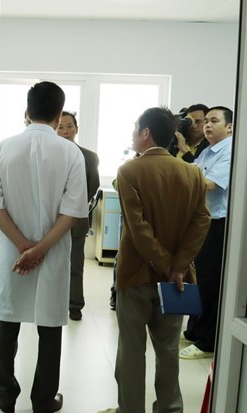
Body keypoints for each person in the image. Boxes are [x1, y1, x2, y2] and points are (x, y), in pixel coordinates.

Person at [99, 107, 211, 413]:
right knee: (169, 349)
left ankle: (130, 409)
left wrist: (164, 263)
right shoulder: (193, 173)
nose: (133, 135)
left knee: (132, 350)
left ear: (146, 133)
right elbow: (202, 221)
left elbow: (138, 230)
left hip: (135, 275)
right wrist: (177, 266)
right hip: (177, 282)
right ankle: (170, 408)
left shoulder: (129, 171)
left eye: (136, 129)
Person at [0, 81, 88, 413]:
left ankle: (4, 392)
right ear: (59, 114)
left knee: (8, 320)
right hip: (53, 253)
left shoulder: (2, 148)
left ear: (27, 111)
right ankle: (43, 400)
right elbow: (73, 211)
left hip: (14, 255)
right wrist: (41, 249)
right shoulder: (70, 152)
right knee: (50, 329)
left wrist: (22, 246)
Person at [180, 106, 233, 360]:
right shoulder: (208, 151)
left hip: (218, 225)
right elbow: (194, 174)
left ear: (230, 127)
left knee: (210, 283)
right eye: (206, 121)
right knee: (197, 278)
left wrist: (182, 178)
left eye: (214, 121)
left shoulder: (230, 150)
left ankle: (207, 342)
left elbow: (210, 184)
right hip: (203, 223)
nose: (207, 125)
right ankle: (193, 331)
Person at [57, 111, 100, 320]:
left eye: (69, 126)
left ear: (77, 128)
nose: (65, 132)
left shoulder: (89, 156)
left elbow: (93, 186)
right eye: (60, 127)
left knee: (75, 264)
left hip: (76, 219)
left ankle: (74, 305)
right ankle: (50, 301)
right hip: (50, 219)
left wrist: (72, 207)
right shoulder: (48, 153)